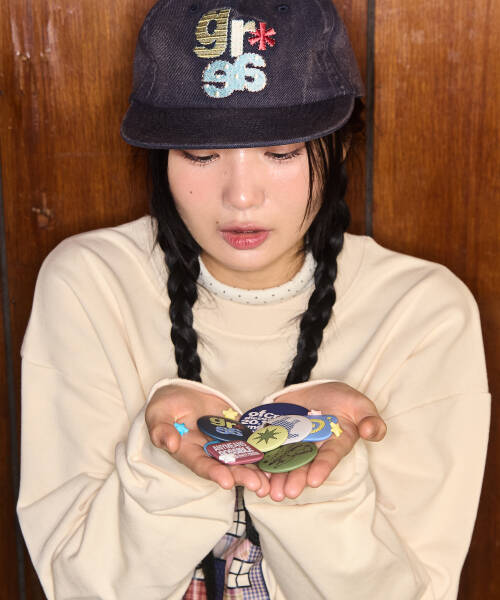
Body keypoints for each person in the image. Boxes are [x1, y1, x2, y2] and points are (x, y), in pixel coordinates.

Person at [17, 1, 490, 599]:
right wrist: (167, 465)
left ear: (341, 145)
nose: (240, 195)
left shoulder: (422, 312)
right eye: (201, 154)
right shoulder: (92, 285)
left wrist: (311, 476)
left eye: (282, 151)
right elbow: (78, 587)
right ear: (161, 156)